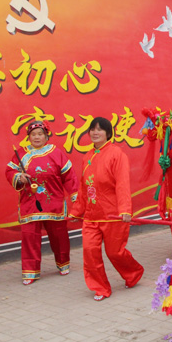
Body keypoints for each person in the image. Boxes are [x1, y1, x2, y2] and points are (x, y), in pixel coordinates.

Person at [69, 117, 143, 301]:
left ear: (108, 133)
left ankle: (133, 273)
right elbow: (84, 187)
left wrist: (125, 210)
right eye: (92, 129)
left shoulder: (117, 154)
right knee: (89, 252)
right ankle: (100, 288)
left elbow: (122, 184)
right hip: (92, 216)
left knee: (115, 252)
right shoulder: (87, 157)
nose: (95, 133)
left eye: (100, 130)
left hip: (113, 215)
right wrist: (77, 210)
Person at [5, 121, 79, 284]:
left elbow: (69, 176)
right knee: (30, 237)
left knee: (59, 236)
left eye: (40, 134)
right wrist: (19, 177)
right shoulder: (21, 153)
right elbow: (10, 171)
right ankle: (30, 272)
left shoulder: (57, 153)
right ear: (28, 137)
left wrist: (75, 196)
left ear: (46, 136)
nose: (36, 137)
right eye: (33, 134)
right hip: (30, 203)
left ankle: (63, 263)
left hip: (54, 201)